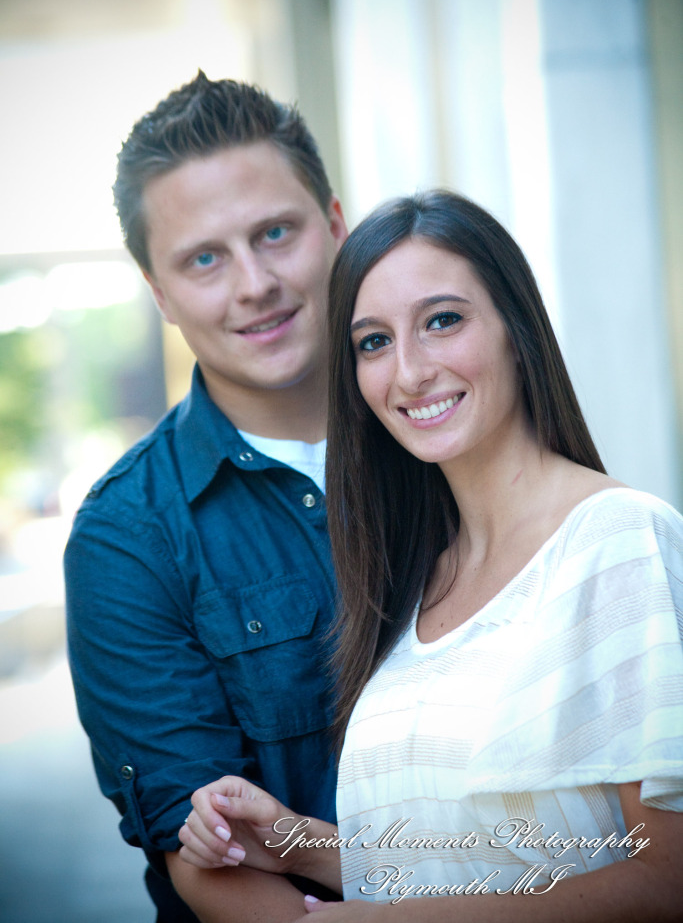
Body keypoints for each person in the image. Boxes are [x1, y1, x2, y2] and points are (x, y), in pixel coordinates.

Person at [179, 190, 683, 921]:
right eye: (373, 342)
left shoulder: (618, 540)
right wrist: (291, 843)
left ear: (516, 329)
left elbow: (666, 881)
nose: (409, 372)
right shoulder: (416, 581)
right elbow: (470, 862)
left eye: (442, 320)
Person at [64, 71, 348, 923]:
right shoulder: (127, 538)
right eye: (204, 259)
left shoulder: (452, 439)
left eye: (274, 233)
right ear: (159, 292)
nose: (253, 283)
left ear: (336, 226)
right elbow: (213, 862)